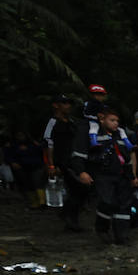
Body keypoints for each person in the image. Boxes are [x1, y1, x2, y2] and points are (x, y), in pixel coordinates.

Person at [69, 105, 136, 244]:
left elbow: (127, 159)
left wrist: (132, 177)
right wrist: (81, 172)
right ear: (102, 120)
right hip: (102, 175)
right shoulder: (91, 135)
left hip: (121, 176)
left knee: (123, 205)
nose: (115, 123)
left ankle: (121, 236)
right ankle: (102, 229)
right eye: (112, 120)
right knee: (107, 202)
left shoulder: (120, 136)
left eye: (117, 121)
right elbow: (78, 155)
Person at [42, 95, 84, 230]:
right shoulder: (53, 122)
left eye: (69, 103)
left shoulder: (71, 122)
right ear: (56, 105)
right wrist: (51, 165)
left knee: (80, 190)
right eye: (64, 103)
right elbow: (48, 143)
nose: (68, 106)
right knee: (75, 189)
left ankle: (69, 217)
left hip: (74, 161)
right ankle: (70, 219)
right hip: (61, 162)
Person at [5, 131, 47, 209]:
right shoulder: (12, 145)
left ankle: (42, 202)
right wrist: (12, 162)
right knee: (27, 184)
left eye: (22, 135)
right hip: (22, 167)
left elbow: (41, 150)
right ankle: (34, 202)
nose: (21, 137)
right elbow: (8, 155)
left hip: (36, 166)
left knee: (38, 182)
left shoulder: (33, 144)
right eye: (19, 135)